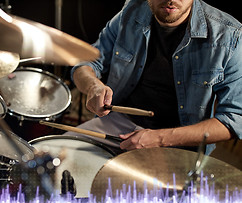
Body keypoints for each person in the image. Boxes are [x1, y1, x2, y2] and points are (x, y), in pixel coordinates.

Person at [68, 0, 242, 155]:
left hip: (180, 144)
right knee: (55, 159)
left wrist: (159, 138)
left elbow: (234, 120)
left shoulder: (228, 35)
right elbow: (85, 64)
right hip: (118, 125)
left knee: (132, 190)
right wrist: (93, 86)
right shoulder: (131, 11)